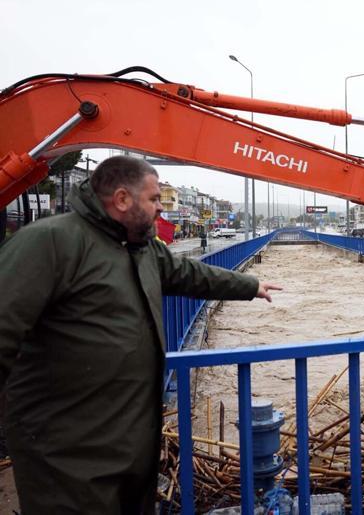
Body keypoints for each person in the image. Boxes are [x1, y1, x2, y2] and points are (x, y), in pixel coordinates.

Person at [0, 156, 281, 513]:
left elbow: (191, 275)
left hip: (129, 444)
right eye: (153, 199)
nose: (160, 208)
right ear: (122, 199)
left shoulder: (140, 247)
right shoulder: (50, 243)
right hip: (66, 453)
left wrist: (250, 284)